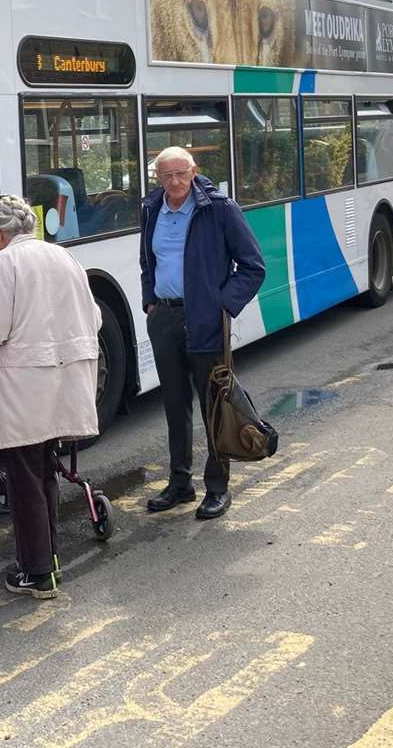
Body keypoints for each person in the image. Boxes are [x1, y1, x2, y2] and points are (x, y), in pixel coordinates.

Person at [0, 195, 100, 599]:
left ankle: (36, 572)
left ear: (0, 232)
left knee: (23, 480)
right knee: (44, 470)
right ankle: (47, 559)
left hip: (22, 385)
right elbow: (94, 317)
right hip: (65, 380)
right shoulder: (64, 258)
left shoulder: (1, 265)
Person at [139, 146, 266, 520]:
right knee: (174, 406)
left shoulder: (219, 208)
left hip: (206, 320)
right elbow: (148, 260)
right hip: (164, 319)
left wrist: (222, 306)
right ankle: (180, 483)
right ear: (157, 178)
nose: (174, 182)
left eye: (181, 173)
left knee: (214, 404)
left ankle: (217, 487)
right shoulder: (151, 210)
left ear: (194, 172)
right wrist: (150, 300)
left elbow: (253, 266)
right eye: (166, 175)